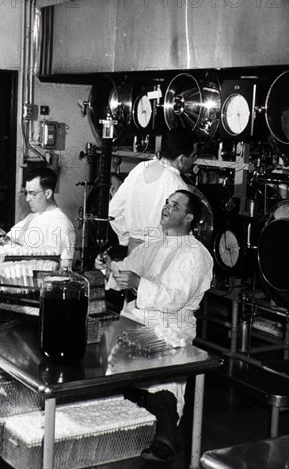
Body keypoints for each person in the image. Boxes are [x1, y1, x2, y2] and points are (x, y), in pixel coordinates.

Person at [96, 190, 213, 464]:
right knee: (104, 348)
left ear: (189, 217)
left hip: (171, 325)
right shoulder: (153, 244)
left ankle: (166, 437)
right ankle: (121, 422)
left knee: (162, 377)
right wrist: (107, 267)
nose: (166, 208)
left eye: (175, 206)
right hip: (137, 317)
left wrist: (138, 283)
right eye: (166, 203)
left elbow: (175, 299)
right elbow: (125, 269)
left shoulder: (196, 254)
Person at [108, 128, 198, 253]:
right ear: (181, 159)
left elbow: (113, 211)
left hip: (133, 251)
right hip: (158, 254)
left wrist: (127, 240)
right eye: (193, 156)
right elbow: (181, 234)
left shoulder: (140, 168)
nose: (195, 161)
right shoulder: (179, 186)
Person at [5, 167, 75, 258]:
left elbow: (60, 265)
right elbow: (13, 244)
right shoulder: (32, 217)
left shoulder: (61, 224)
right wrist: (3, 239)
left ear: (48, 194)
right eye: (27, 193)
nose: (27, 199)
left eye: (33, 194)